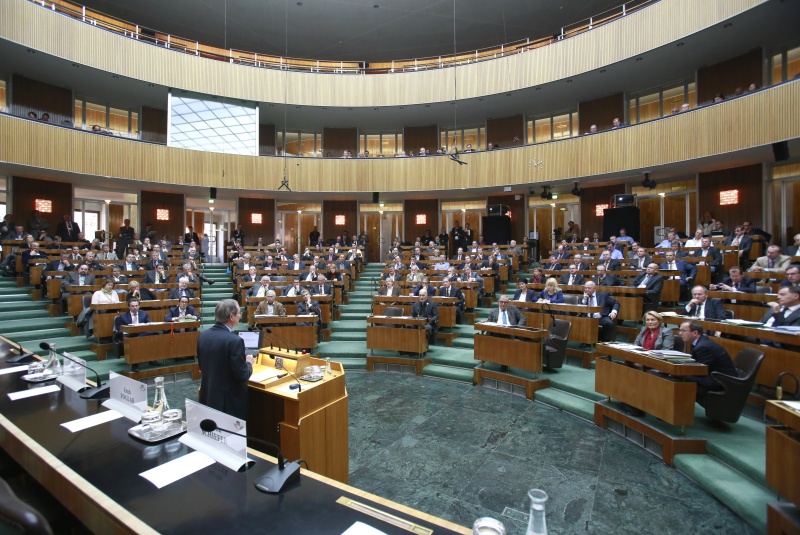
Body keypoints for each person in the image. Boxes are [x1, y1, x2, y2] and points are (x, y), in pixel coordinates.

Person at [197, 299, 253, 419]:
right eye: (239, 313)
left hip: (208, 397)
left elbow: (202, 366)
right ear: (231, 316)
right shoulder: (235, 341)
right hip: (228, 404)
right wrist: (249, 363)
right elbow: (242, 375)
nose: (240, 315)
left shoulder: (203, 336)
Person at [678, 321, 737, 406]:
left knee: (681, 376)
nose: (680, 333)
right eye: (680, 330)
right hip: (713, 375)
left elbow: (700, 371)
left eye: (683, 331)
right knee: (680, 374)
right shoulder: (697, 342)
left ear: (695, 333)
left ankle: (681, 409)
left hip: (720, 380)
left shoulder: (703, 346)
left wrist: (681, 370)